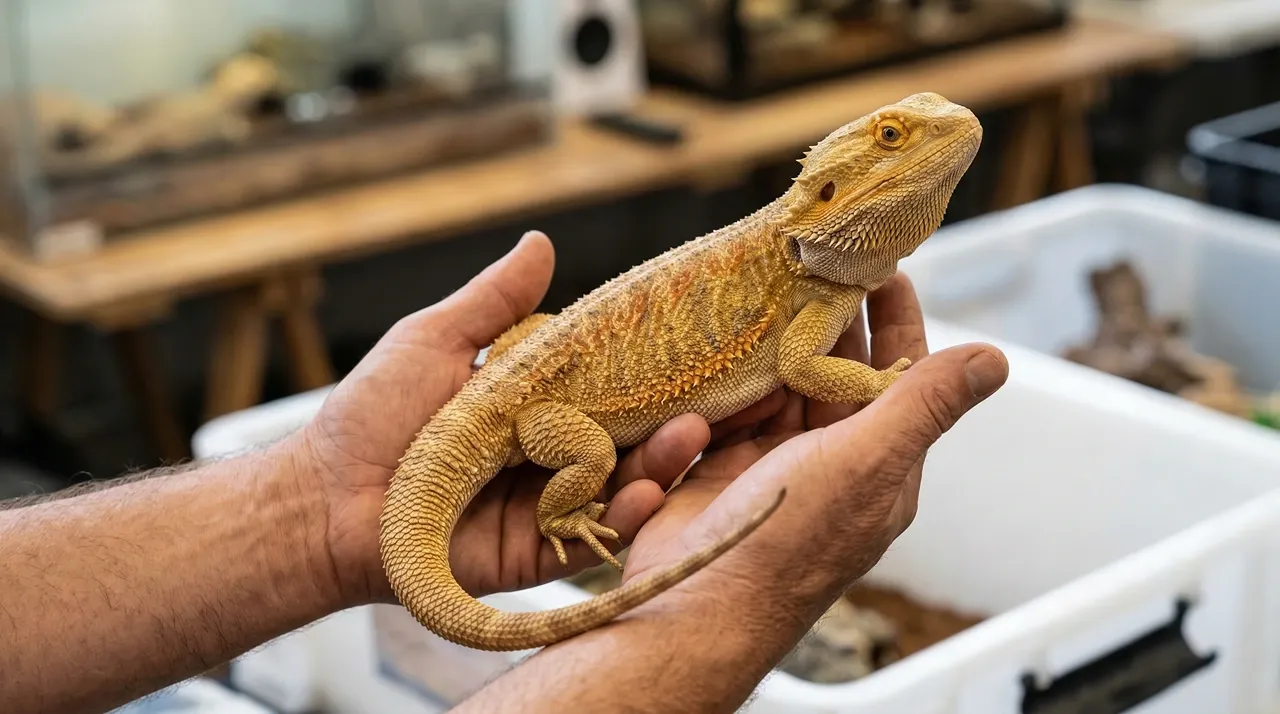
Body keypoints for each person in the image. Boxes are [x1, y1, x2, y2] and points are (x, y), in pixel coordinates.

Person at [0, 232, 1008, 714]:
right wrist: (736, 601)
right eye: (883, 141)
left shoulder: (800, 274)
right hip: (538, 424)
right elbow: (797, 367)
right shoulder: (790, 273)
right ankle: (570, 498)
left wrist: (317, 507)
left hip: (522, 404)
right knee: (586, 459)